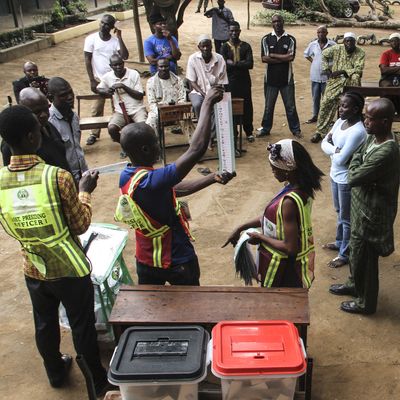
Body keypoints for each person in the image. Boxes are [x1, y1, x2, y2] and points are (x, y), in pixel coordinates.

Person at [0, 105, 112, 397]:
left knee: (45, 322)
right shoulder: (57, 177)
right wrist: (85, 190)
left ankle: (55, 371)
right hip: (69, 268)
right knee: (82, 326)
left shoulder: (0, 181)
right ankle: (97, 381)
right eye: (37, 130)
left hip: (33, 266)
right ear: (30, 137)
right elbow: (81, 224)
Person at [114, 87, 235, 285]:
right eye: (155, 142)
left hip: (146, 261)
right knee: (190, 310)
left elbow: (172, 190)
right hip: (176, 259)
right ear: (145, 149)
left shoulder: (128, 176)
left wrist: (212, 177)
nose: (159, 146)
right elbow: (196, 149)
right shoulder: (152, 181)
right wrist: (206, 104)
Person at [329, 98, 400, 314]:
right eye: (366, 117)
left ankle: (365, 302)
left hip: (372, 214)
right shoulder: (373, 137)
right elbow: (357, 159)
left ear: (386, 122)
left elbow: (353, 176)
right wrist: (357, 163)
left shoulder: (387, 150)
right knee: (357, 253)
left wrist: (355, 165)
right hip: (361, 209)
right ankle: (353, 283)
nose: (365, 122)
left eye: (370, 118)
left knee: (367, 260)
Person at [223, 139, 323, 288]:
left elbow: (290, 248)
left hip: (284, 271)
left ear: (288, 169)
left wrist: (260, 237)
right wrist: (240, 227)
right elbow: (273, 220)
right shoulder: (299, 188)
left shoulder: (289, 202)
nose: (273, 172)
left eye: (275, 168)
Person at [321, 92, 366, 268]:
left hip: (346, 179)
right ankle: (340, 242)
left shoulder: (357, 131)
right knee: (339, 211)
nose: (340, 109)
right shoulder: (340, 121)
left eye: (345, 106)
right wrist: (336, 149)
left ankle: (344, 253)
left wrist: (332, 149)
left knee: (346, 218)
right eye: (340, 105)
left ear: (355, 109)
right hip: (335, 174)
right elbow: (323, 143)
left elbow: (341, 159)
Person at [311, 32, 365, 143]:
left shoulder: (360, 52)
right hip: (336, 81)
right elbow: (324, 54)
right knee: (326, 102)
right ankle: (320, 132)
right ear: (344, 41)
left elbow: (359, 69)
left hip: (351, 83)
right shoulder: (337, 49)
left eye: (351, 41)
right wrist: (327, 69)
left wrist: (343, 71)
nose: (349, 43)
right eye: (347, 41)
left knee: (353, 104)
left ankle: (354, 130)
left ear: (355, 42)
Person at [84, 14, 129, 145]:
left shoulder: (115, 41)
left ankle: (117, 131)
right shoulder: (91, 39)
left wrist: (119, 37)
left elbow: (125, 56)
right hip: (99, 80)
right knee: (97, 108)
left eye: (107, 24)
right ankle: (94, 133)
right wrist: (92, 80)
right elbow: (87, 59)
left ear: (112, 27)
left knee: (118, 107)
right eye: (102, 23)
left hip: (114, 80)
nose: (104, 26)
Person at [1, 88, 70, 173]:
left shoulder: (49, 126)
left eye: (46, 109)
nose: (44, 115)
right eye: (37, 111)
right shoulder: (15, 142)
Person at [258, 14, 301, 138]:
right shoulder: (266, 39)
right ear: (272, 23)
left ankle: (295, 129)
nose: (277, 23)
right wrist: (283, 58)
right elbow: (264, 58)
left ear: (283, 22)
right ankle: (265, 128)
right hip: (270, 80)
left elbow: (291, 57)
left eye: (279, 21)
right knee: (268, 107)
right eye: (274, 21)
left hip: (286, 80)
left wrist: (273, 55)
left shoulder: (290, 39)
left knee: (291, 107)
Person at [96, 54, 147, 157]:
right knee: (112, 129)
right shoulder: (108, 77)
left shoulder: (133, 74)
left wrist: (124, 87)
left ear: (123, 63)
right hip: (120, 111)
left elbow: (140, 96)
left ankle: (144, 148)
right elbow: (98, 89)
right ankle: (127, 146)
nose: (118, 67)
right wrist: (107, 90)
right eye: (115, 65)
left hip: (137, 109)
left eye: (120, 64)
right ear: (111, 66)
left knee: (144, 129)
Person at [186, 34, 228, 144]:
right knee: (198, 104)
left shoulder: (219, 58)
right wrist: (204, 94)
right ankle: (204, 133)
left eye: (208, 46)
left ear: (212, 46)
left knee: (218, 105)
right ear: (199, 47)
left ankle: (211, 136)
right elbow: (192, 81)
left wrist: (212, 94)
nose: (206, 48)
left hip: (216, 90)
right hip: (198, 92)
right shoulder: (193, 59)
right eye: (203, 46)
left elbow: (221, 80)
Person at [48, 77, 88, 183]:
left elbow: (76, 146)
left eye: (70, 92)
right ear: (51, 98)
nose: (70, 97)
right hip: (65, 180)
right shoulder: (49, 123)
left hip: (82, 175)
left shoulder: (74, 116)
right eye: (63, 95)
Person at [221, 21, 254, 143]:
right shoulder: (224, 47)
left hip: (244, 81)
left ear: (240, 31)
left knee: (247, 106)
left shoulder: (246, 46)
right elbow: (224, 64)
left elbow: (250, 64)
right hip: (230, 82)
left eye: (236, 30)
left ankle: (249, 131)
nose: (234, 33)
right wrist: (241, 64)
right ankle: (234, 131)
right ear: (228, 32)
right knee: (232, 106)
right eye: (232, 31)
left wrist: (234, 63)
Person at [303, 26, 336, 124]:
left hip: (327, 77)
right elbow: (306, 54)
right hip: (315, 76)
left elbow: (337, 57)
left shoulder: (333, 45)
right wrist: (314, 62)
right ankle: (315, 116)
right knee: (316, 97)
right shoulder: (313, 44)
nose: (320, 34)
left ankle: (327, 118)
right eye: (318, 32)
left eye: (322, 32)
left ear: (327, 33)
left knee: (327, 99)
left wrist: (331, 67)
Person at [145, 58, 186, 131]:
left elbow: (182, 99)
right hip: (159, 112)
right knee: (150, 120)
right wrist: (163, 113)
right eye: (161, 67)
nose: (163, 69)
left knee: (188, 117)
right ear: (157, 68)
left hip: (177, 110)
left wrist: (175, 110)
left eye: (166, 66)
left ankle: (192, 141)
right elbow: (152, 103)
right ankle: (155, 141)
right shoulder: (151, 82)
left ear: (169, 67)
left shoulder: (178, 80)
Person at [379, 32, 400, 114]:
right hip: (387, 78)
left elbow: (386, 69)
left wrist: (390, 69)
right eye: (392, 41)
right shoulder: (386, 54)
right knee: (387, 89)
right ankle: (386, 111)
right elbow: (383, 70)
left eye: (396, 41)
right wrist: (398, 69)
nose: (394, 43)